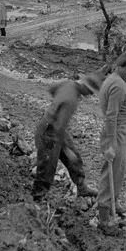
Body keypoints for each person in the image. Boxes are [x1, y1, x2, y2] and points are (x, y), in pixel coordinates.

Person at [31, 72, 105, 203]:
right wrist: (66, 150)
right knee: (48, 166)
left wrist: (56, 106)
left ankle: (81, 187)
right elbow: (59, 128)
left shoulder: (67, 83)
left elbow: (51, 88)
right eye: (91, 92)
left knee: (75, 157)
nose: (91, 95)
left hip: (53, 123)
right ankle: (37, 198)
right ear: (86, 87)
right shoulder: (71, 101)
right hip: (50, 131)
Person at [97, 47, 126, 235]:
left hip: (119, 131)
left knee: (118, 171)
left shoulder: (116, 79)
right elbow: (111, 116)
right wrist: (111, 143)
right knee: (112, 173)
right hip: (116, 132)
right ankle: (104, 217)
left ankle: (113, 203)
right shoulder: (118, 85)